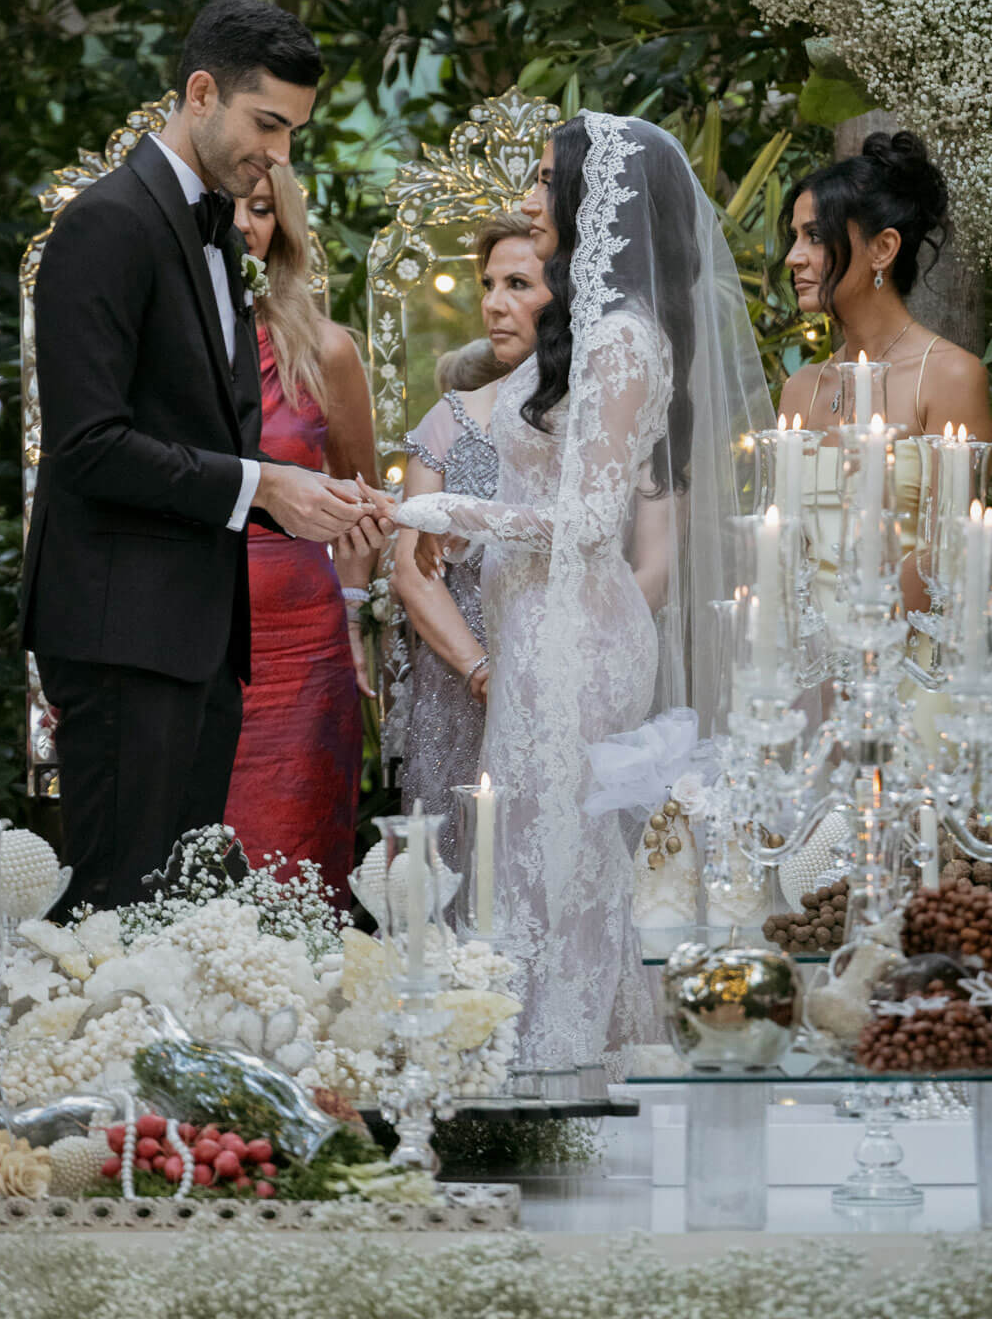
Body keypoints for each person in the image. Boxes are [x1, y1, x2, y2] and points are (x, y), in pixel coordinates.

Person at [395, 113, 771, 1072]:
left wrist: (443, 513)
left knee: (563, 860)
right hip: (536, 623)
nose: (529, 199)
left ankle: (568, 1068)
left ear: (596, 197)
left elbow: (591, 522)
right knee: (534, 854)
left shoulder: (622, 341)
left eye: (542, 178)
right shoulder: (586, 332)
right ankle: (542, 1057)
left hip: (578, 633)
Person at [21, 0, 390, 912]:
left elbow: (201, 430)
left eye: (293, 132)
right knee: (119, 913)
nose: (279, 153)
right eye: (266, 123)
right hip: (123, 636)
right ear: (198, 94)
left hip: (198, 639)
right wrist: (264, 485)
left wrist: (305, 502)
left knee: (178, 920)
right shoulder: (108, 223)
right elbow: (87, 446)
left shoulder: (214, 230)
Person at [223, 164, 379, 903]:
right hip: (185, 643)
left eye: (261, 209)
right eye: (227, 206)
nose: (243, 224)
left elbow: (361, 499)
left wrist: (353, 611)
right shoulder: (158, 346)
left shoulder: (325, 350)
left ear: (282, 228)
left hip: (301, 653)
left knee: (294, 875)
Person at [781, 131, 992, 620]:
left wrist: (857, 640)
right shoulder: (801, 390)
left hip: (907, 648)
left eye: (815, 236)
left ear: (883, 248)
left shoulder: (950, 377)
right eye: (795, 237)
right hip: (803, 650)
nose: (793, 257)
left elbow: (955, 555)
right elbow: (785, 552)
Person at [395, 212, 549, 861]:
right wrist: (481, 670)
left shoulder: (605, 424)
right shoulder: (449, 420)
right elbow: (412, 569)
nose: (492, 304)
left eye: (518, 284)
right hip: (458, 689)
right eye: (489, 285)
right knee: (458, 866)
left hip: (564, 676)